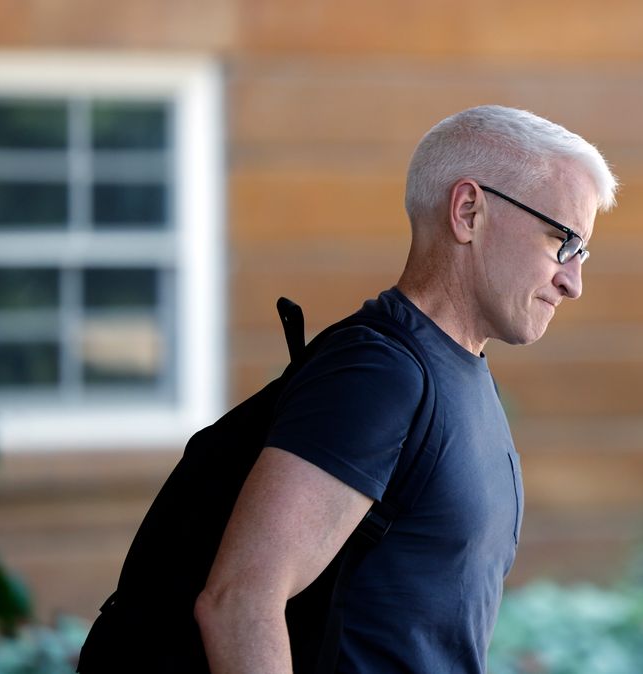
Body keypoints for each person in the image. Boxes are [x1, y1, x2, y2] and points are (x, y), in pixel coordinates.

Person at [193, 104, 618, 673]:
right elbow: (240, 602)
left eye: (582, 251)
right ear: (469, 211)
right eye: (561, 240)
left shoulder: (456, 372)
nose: (573, 282)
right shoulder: (376, 375)